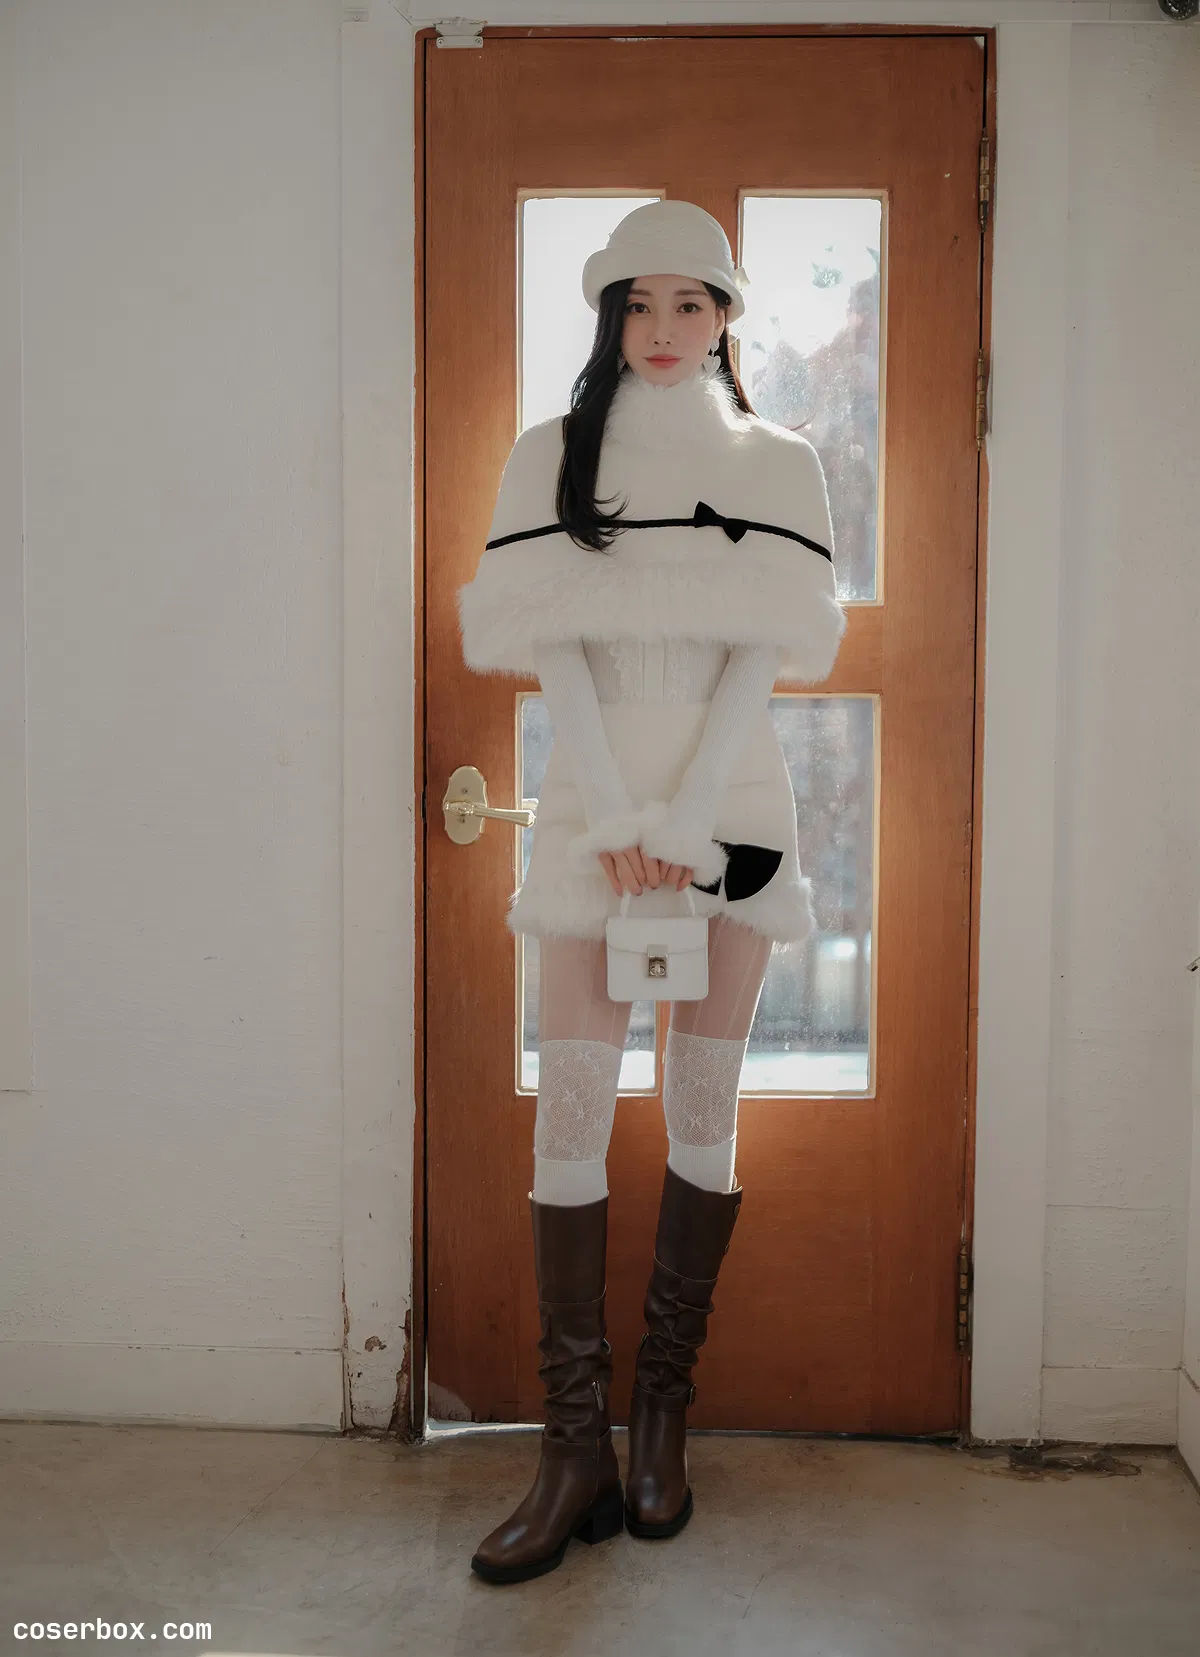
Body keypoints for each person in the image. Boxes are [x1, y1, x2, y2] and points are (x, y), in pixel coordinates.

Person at [457, 200, 847, 1585]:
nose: (664, 330)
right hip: (593, 808)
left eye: (692, 303)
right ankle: (573, 1449)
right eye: (638, 303)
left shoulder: (781, 463)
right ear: (607, 316)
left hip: (729, 810)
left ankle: (660, 1410)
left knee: (702, 1105)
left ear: (729, 316)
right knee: (570, 1115)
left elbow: (763, 655)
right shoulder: (549, 456)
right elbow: (550, 642)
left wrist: (683, 828)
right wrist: (623, 821)